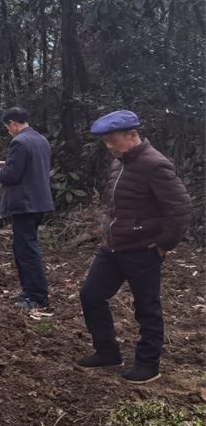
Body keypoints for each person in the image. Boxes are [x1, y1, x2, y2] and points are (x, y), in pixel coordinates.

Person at [75, 110, 191, 384]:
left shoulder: (155, 164)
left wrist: (163, 245)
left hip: (143, 249)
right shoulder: (119, 162)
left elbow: (180, 208)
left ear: (132, 135)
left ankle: (148, 364)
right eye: (106, 141)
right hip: (113, 247)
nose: (109, 146)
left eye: (112, 140)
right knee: (91, 295)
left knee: (146, 307)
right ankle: (107, 352)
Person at [0, 107, 55, 312]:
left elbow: (10, 177)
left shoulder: (18, 142)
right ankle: (29, 291)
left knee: (26, 250)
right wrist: (7, 164)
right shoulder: (40, 140)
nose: (9, 132)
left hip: (24, 204)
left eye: (8, 128)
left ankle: (37, 297)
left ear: (13, 124)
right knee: (24, 248)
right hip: (39, 202)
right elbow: (28, 168)